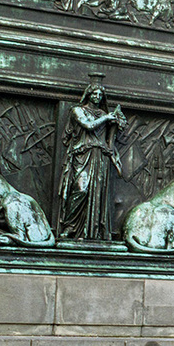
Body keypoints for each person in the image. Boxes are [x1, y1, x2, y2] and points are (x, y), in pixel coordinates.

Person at [57, 78, 124, 240]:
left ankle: (94, 230)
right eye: (94, 93)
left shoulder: (103, 114)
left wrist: (117, 123)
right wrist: (108, 118)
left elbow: (109, 140)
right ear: (88, 94)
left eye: (101, 94)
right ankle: (70, 225)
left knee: (98, 194)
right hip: (82, 155)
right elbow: (88, 125)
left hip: (99, 157)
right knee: (81, 189)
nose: (97, 96)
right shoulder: (77, 111)